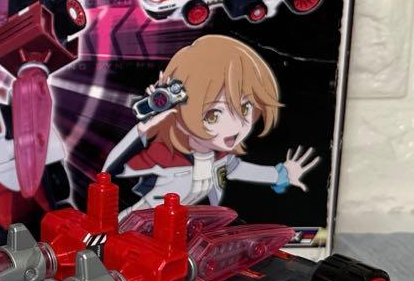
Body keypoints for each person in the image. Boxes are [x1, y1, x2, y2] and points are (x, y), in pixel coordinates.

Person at [104, 34, 319, 215]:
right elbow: (109, 173)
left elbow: (239, 169)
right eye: (214, 115)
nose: (235, 127)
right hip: (139, 226)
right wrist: (142, 131)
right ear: (175, 109)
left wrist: (280, 175)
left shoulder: (221, 158)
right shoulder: (165, 155)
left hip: (186, 229)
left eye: (245, 108)